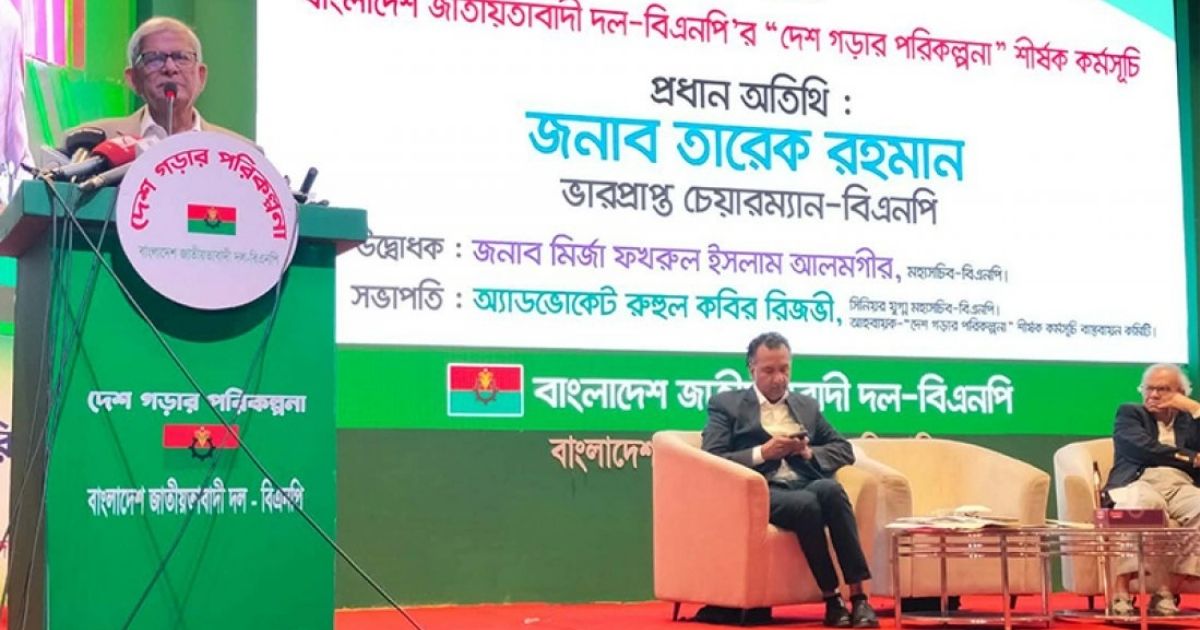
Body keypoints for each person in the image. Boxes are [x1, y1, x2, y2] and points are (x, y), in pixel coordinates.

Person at [701, 332, 878, 628]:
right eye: (769, 371)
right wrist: (763, 452)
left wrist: (808, 452)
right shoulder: (726, 405)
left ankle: (860, 599)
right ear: (752, 369)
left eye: (784, 369)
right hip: (762, 490)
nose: (779, 379)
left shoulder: (806, 406)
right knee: (806, 504)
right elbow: (712, 457)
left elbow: (843, 449)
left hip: (803, 480)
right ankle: (832, 599)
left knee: (832, 491)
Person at [1104, 363, 1200, 616]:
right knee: (1141, 506)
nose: (1154, 395)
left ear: (1181, 393)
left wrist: (1195, 409)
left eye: (1163, 389)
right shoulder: (1130, 413)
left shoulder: (1189, 420)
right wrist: (1190, 458)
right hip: (1140, 480)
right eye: (1149, 388)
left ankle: (1166, 590)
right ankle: (1121, 590)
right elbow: (1141, 448)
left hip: (1181, 484)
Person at [65, 16, 246, 143]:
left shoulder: (240, 151)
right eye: (154, 58)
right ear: (133, 79)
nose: (170, 68)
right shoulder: (90, 143)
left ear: (201, 76)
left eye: (182, 57)